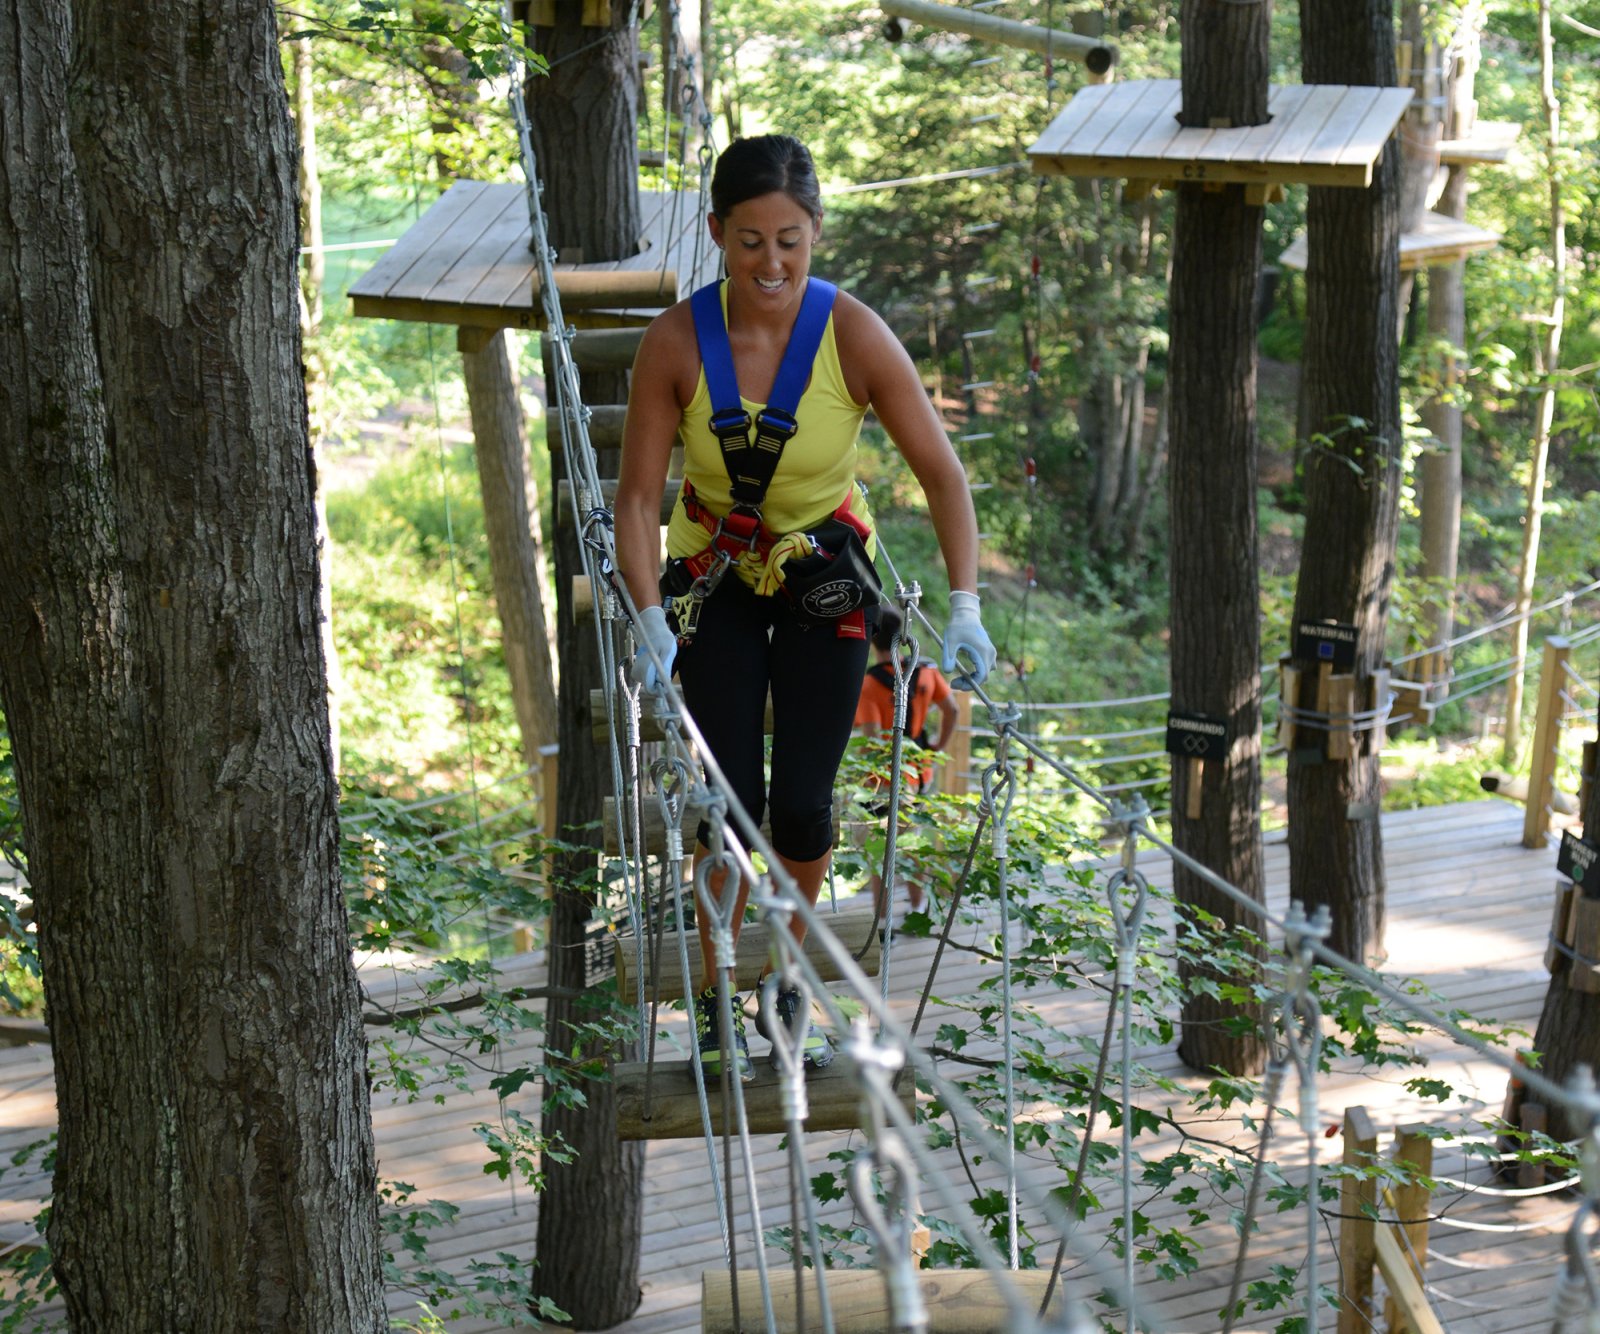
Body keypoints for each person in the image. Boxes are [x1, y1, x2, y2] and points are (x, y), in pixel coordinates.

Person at [614, 134, 996, 1085]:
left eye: (790, 239)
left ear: (816, 234)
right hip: (713, 572)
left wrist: (964, 604)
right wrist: (650, 615)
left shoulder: (853, 335)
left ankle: (784, 981)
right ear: (716, 235)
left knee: (805, 806)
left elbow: (941, 473)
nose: (771, 263)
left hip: (825, 567)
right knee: (724, 807)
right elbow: (633, 498)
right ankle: (713, 991)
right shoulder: (676, 343)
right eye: (749, 241)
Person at [853, 604, 957, 915]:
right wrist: (937, 747)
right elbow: (953, 710)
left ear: (873, 638)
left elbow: (873, 739)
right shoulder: (926, 672)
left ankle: (883, 923)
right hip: (918, 772)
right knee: (912, 845)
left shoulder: (870, 685)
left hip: (882, 781)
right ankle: (917, 907)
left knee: (880, 853)